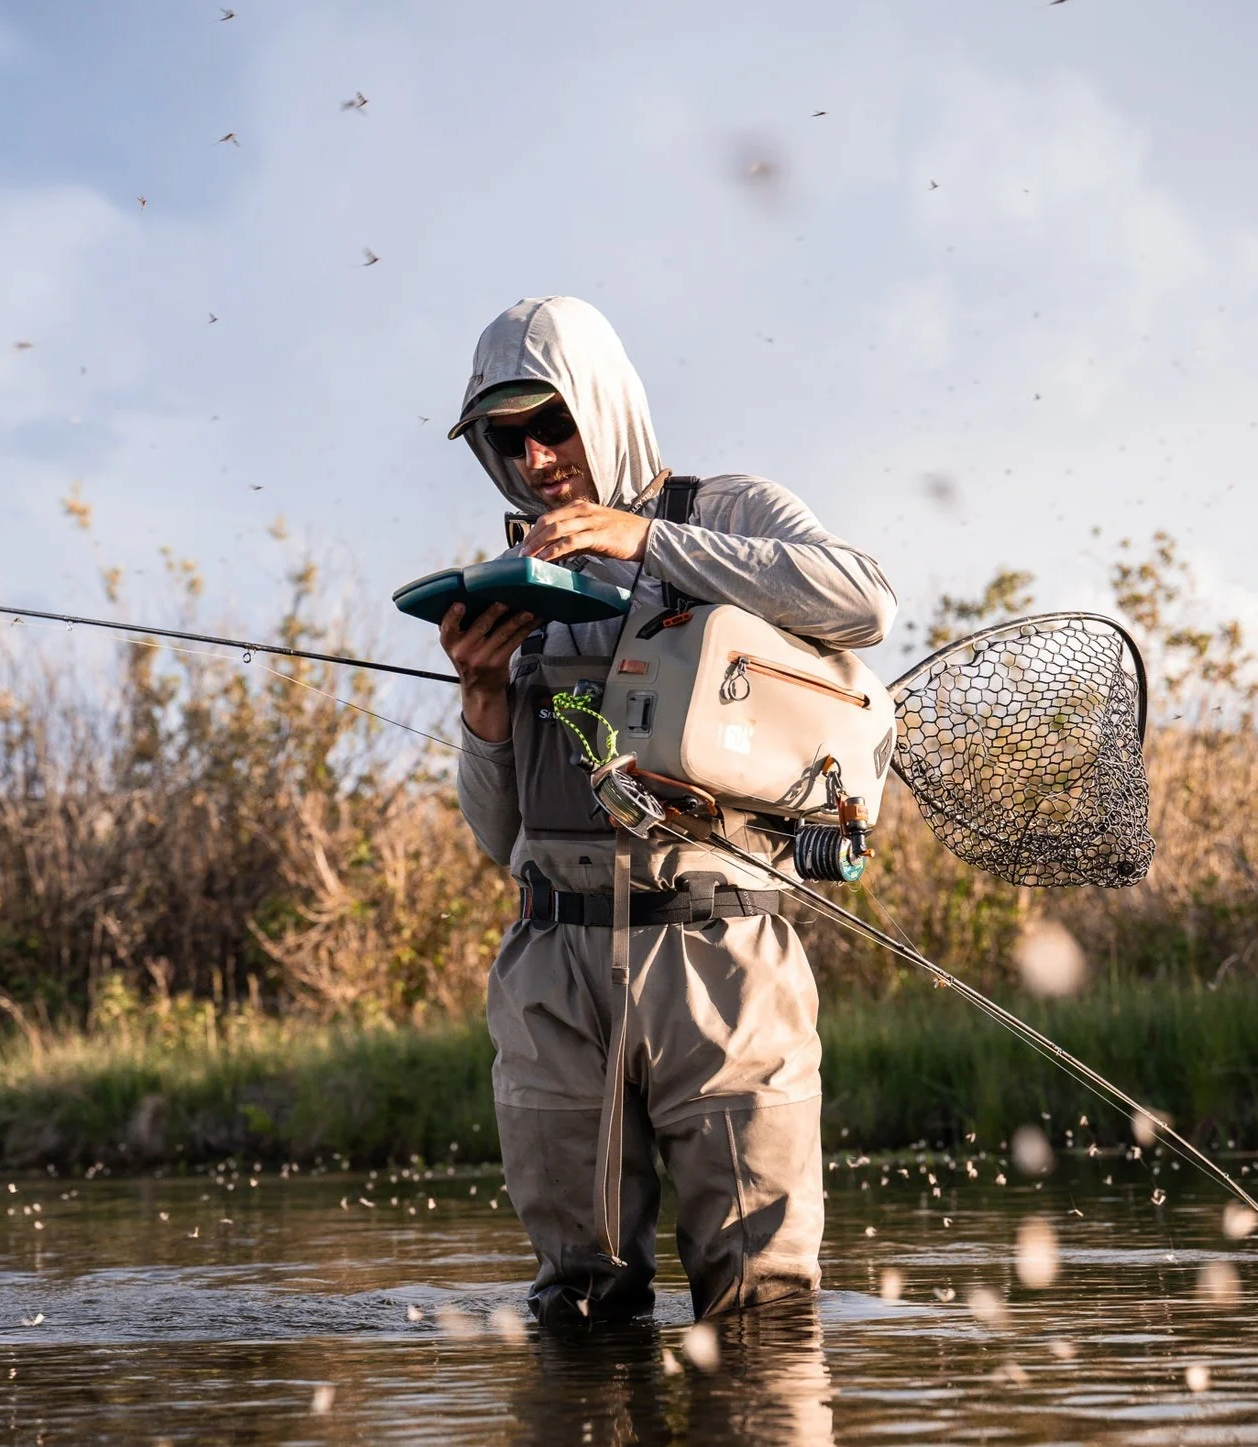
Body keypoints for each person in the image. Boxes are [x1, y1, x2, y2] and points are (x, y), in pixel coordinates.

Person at [439, 296, 896, 1328]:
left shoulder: (728, 509)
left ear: (600, 404)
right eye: (503, 439)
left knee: (762, 1313)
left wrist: (647, 542)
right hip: (552, 965)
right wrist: (480, 706)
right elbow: (497, 840)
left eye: (549, 423)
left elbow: (863, 599)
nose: (534, 457)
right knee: (578, 1310)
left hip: (718, 956)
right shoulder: (514, 582)